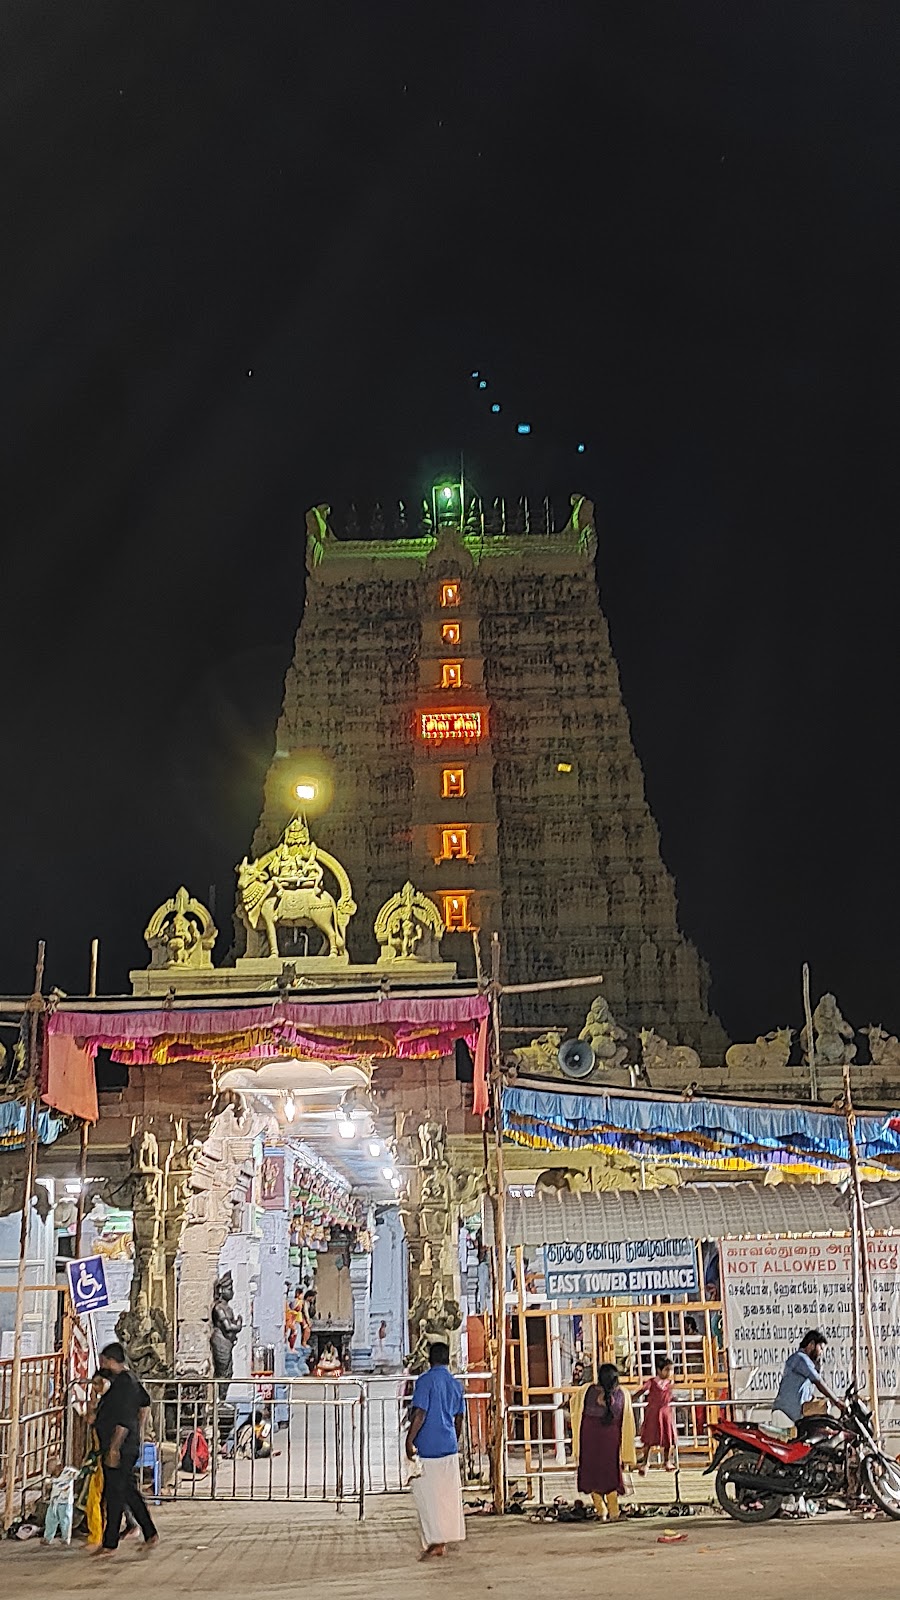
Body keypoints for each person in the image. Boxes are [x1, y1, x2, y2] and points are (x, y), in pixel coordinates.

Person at [93, 1341, 159, 1555]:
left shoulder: (124, 1386)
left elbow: (123, 1421)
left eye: (104, 1361)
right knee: (128, 1491)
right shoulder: (129, 1381)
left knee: (115, 1494)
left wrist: (114, 1447)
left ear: (111, 1361)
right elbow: (144, 1404)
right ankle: (149, 1532)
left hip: (120, 1447)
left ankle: (110, 1542)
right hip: (125, 1444)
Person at [405, 1341, 466, 1561]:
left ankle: (434, 1539)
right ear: (448, 1359)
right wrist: (455, 1439)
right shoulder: (456, 1385)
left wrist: (409, 1440)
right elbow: (459, 1417)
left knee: (427, 1497)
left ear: (429, 1359)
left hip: (428, 1447)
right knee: (447, 1496)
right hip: (448, 1445)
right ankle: (443, 1539)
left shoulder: (424, 1381)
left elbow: (419, 1413)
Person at [570, 1362, 637, 1523]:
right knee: (611, 1474)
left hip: (589, 1440)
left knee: (592, 1474)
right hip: (611, 1440)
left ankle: (601, 1510)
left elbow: (574, 1405)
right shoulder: (622, 1394)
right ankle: (614, 1512)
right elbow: (627, 1419)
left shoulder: (587, 1391)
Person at [772, 1330, 842, 1429]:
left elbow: (805, 1392)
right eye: (820, 1348)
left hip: (794, 1415)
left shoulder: (805, 1362)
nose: (821, 1353)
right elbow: (818, 1382)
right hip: (785, 1416)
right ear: (811, 1344)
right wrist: (837, 1401)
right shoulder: (801, 1358)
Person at [636, 1355, 677, 1472]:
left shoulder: (670, 1383)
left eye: (671, 1369)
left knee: (668, 1438)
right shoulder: (652, 1382)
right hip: (653, 1413)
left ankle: (667, 1461)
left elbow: (671, 1397)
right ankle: (645, 1462)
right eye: (667, 1369)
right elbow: (642, 1391)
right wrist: (631, 1399)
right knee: (649, 1438)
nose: (669, 1372)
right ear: (659, 1370)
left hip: (665, 1413)